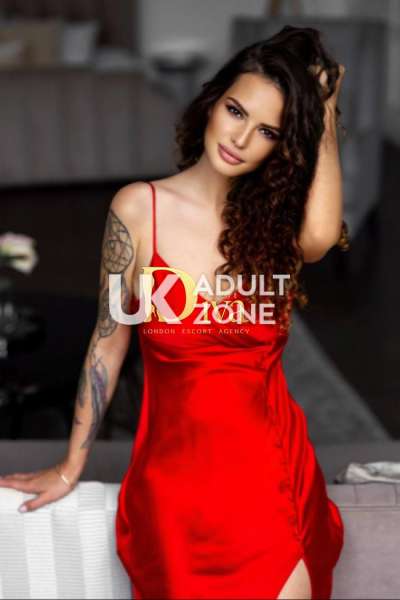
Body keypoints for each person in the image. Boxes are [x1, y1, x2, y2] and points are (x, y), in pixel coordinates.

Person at [0, 25, 349, 600]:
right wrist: (69, 465)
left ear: (282, 145)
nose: (241, 138)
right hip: (175, 487)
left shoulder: (274, 227)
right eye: (236, 111)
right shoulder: (139, 209)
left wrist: (325, 116)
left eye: (268, 131)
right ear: (212, 101)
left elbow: (321, 236)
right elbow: (108, 342)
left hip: (273, 480)